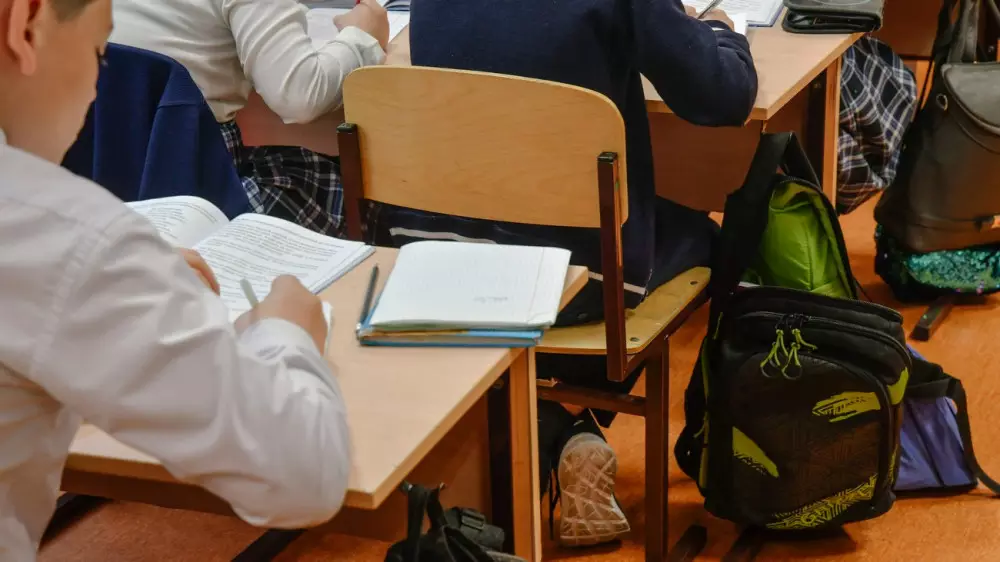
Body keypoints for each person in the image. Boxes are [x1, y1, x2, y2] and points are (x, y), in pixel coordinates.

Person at [366, 0, 758, 547]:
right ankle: (581, 420)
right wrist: (717, 29)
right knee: (711, 238)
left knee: (546, 232)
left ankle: (553, 424)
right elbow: (722, 95)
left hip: (436, 260)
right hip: (575, 277)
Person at [0, 0, 351, 559]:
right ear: (26, 25)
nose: (95, 91)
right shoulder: (67, 238)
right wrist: (285, 331)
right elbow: (306, 472)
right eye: (99, 54)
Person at [109, 0, 391, 236]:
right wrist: (362, 37)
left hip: (106, 195)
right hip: (207, 200)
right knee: (356, 188)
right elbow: (300, 96)